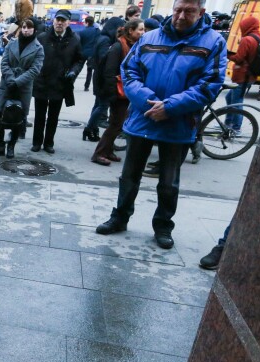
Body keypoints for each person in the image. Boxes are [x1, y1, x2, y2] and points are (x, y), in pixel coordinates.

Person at [95, 0, 227, 250]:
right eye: (178, 10)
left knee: (169, 182)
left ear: (201, 13)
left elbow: (211, 83)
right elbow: (129, 72)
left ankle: (163, 226)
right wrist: (147, 102)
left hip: (178, 123)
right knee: (129, 176)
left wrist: (170, 107)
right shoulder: (150, 37)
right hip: (143, 118)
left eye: (189, 11)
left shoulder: (213, 42)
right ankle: (119, 217)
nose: (181, 16)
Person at [0, 18, 43, 158]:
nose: (25, 30)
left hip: (23, 88)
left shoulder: (38, 48)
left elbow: (35, 70)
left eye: (29, 27)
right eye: (24, 27)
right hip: (7, 84)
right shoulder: (12, 44)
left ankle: (11, 146)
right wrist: (11, 79)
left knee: (19, 118)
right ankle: (0, 145)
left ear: (34, 29)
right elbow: (4, 63)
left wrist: (17, 81)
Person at [90, 18, 144, 166]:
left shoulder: (132, 46)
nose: (143, 32)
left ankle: (107, 151)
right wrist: (112, 94)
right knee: (115, 124)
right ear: (130, 31)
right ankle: (99, 153)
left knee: (118, 124)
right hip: (117, 93)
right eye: (140, 29)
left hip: (125, 92)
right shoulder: (118, 47)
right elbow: (109, 72)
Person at [30, 8, 85, 154]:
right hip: (42, 81)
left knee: (53, 117)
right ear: (53, 21)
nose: (59, 23)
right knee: (39, 116)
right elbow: (33, 57)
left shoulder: (74, 39)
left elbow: (79, 60)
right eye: (57, 20)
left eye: (63, 20)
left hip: (60, 83)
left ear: (68, 23)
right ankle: (36, 142)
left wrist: (73, 72)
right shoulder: (42, 37)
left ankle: (49, 143)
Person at [225, 16, 260, 133]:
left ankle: (236, 128)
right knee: (229, 97)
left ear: (247, 27)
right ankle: (228, 124)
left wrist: (228, 55)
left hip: (243, 75)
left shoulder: (247, 40)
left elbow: (239, 58)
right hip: (251, 75)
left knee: (237, 102)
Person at [78, 16, 100, 92]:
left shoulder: (82, 32)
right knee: (89, 71)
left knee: (78, 68)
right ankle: (86, 86)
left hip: (83, 52)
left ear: (87, 22)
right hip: (92, 53)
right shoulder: (97, 31)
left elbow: (79, 43)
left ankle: (72, 83)